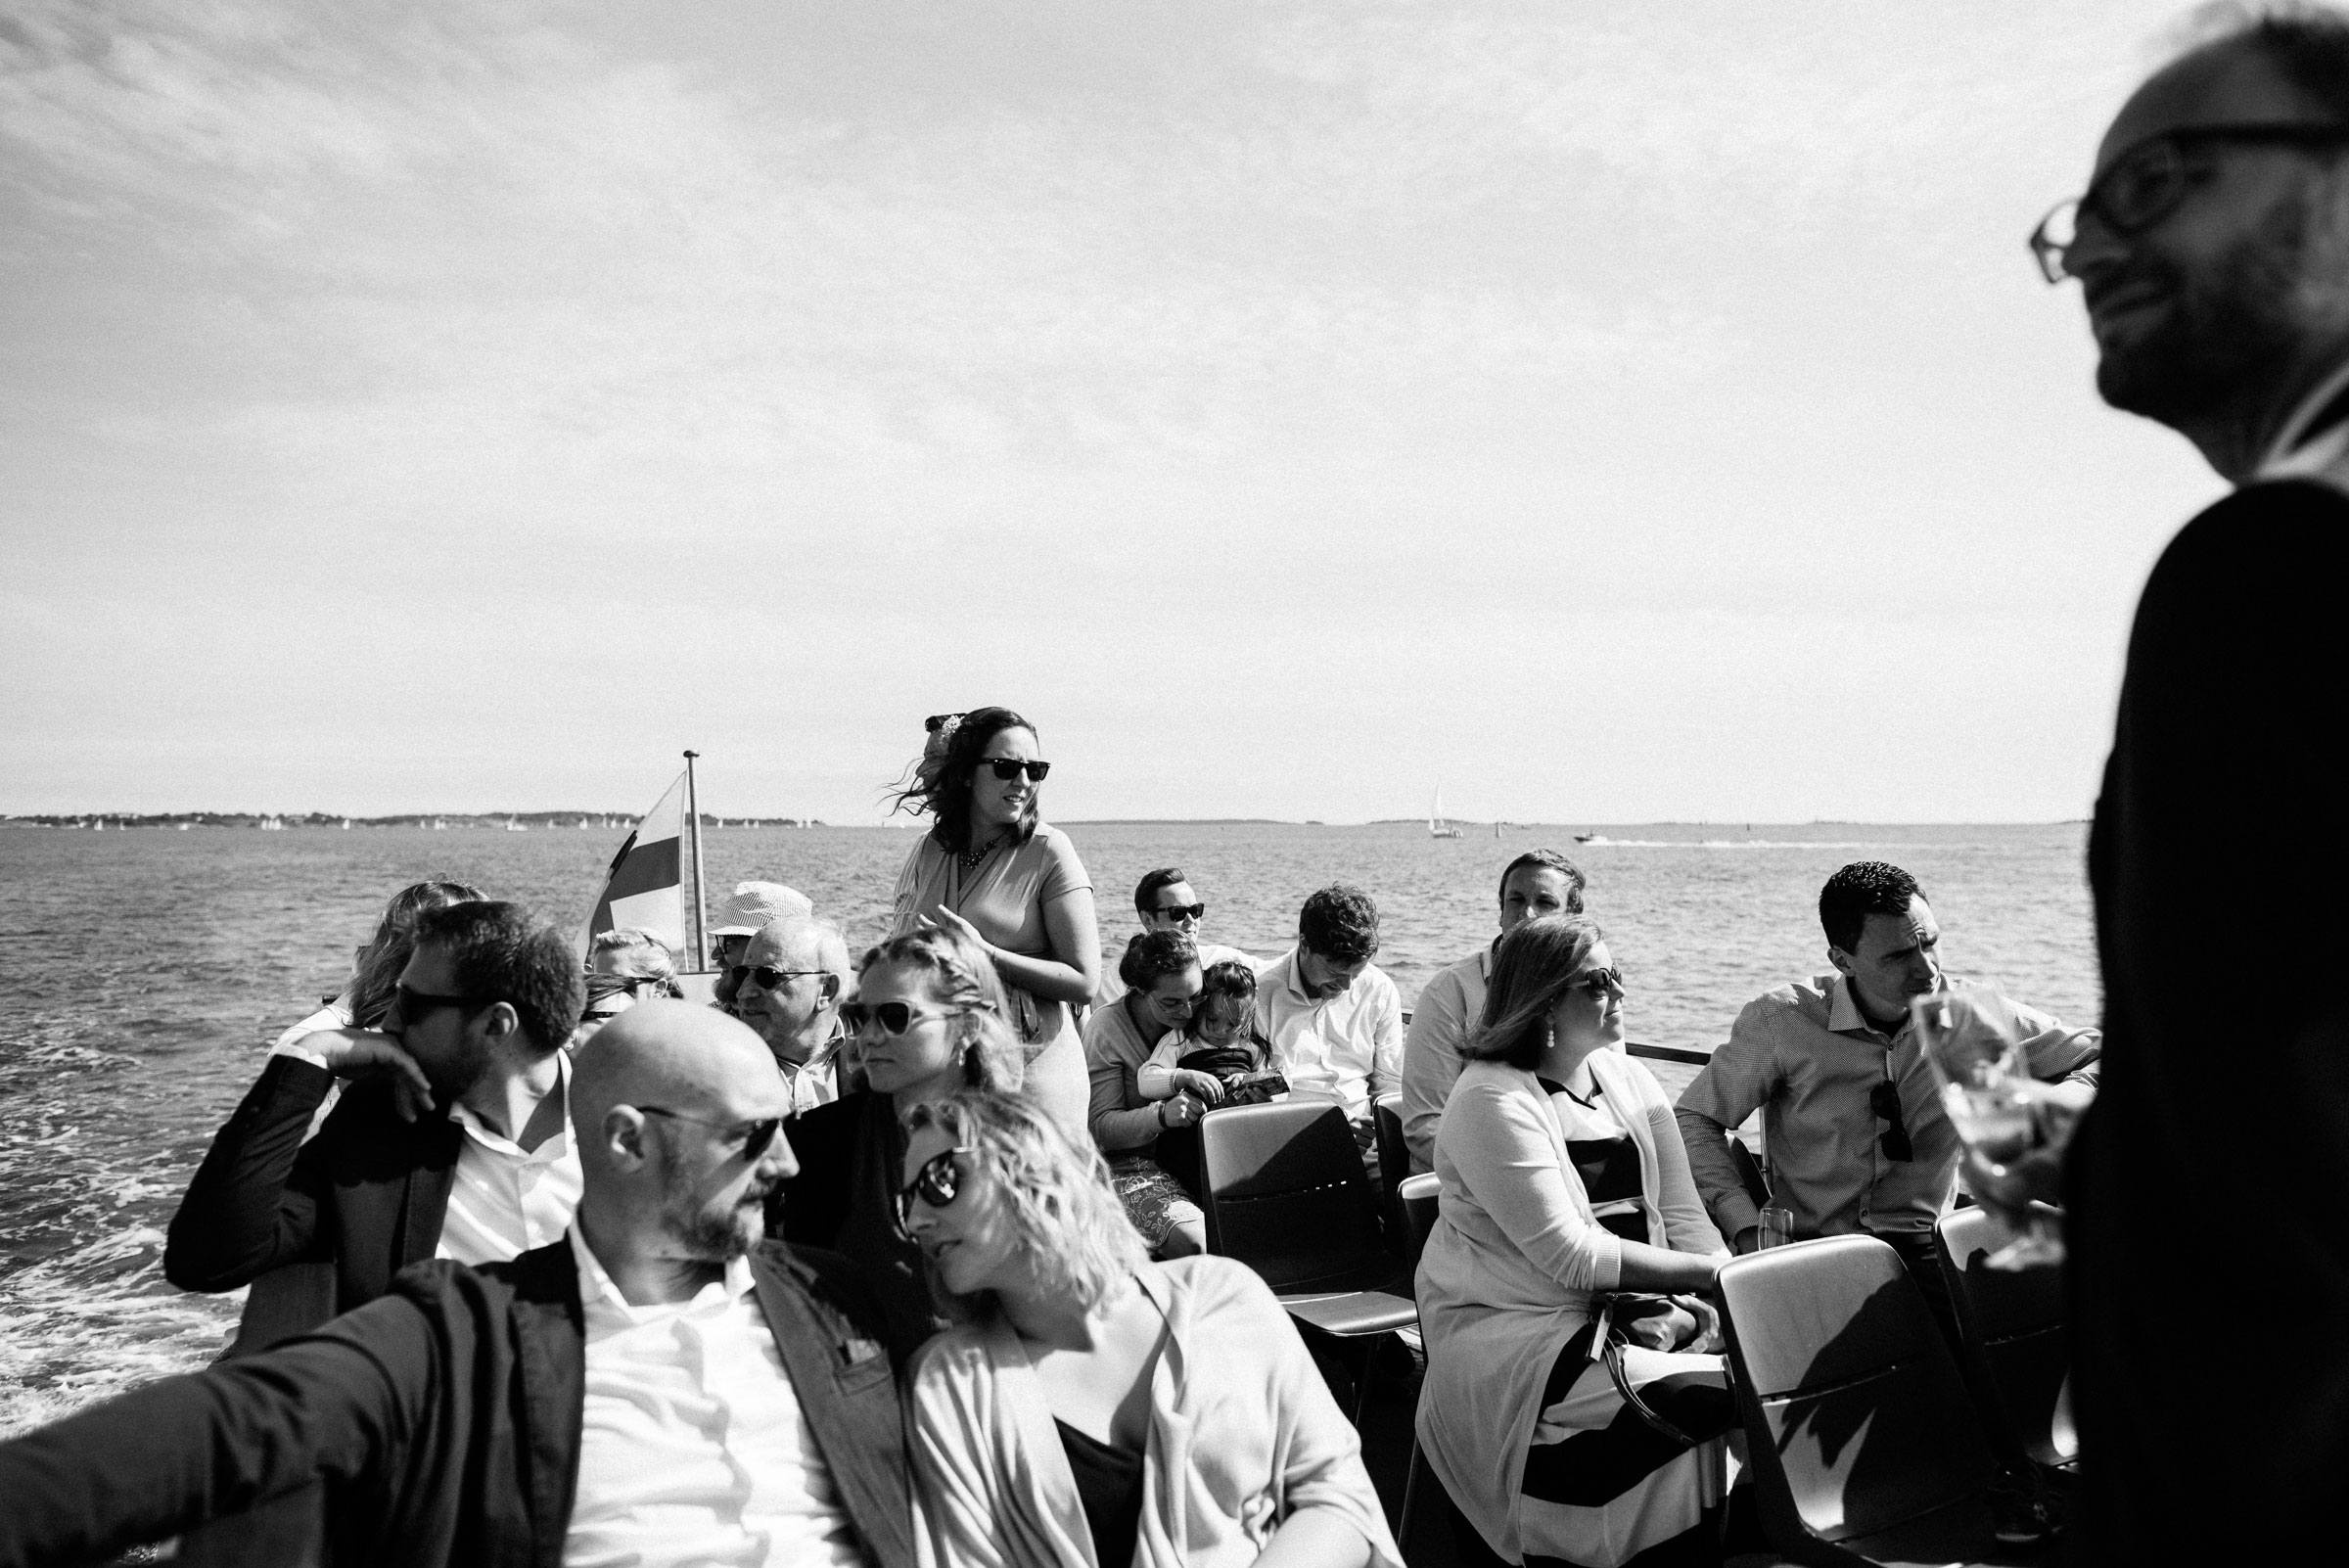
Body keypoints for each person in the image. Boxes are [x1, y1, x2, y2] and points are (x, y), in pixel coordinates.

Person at [0, 1003, 914, 1568]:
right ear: (630, 1139)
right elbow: (233, 1426)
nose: (789, 1161)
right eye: (751, 1136)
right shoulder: (466, 1334)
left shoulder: (831, 1300)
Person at [2030, 11, 2349, 1557]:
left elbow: (2280, 1203)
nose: (2093, 252)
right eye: (2077, 223)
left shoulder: (2274, 573)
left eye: (2154, 185)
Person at [898, 1088, 1403, 1568]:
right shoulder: (951, 1387)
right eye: (906, 1203)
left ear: (1029, 1165)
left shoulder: (1223, 1299)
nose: (916, 1219)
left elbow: (1339, 1499)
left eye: (939, 1181)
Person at [1416, 914, 1737, 1568]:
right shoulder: (1490, 1101)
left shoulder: (1629, 1080)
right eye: (1598, 981)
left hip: (1637, 1311)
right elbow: (1574, 1256)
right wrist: (1711, 1282)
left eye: (1619, 974)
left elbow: (1682, 1212)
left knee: (1771, 1377)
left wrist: (1731, 1284)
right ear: (1544, 1001)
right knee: (1713, 1397)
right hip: (1522, 1332)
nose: (1619, 992)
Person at [1672, 863, 2098, 1331]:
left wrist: (2052, 1105)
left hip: (1928, 1246)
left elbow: (2098, 1055)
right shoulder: (1783, 1022)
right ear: (1842, 960)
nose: (1927, 968)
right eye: (1898, 956)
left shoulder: (1970, 1015)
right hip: (1813, 1253)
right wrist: (1746, 1227)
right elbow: (1695, 1118)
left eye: (1930, 941)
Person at [165, 899, 588, 1345]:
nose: (388, 1021)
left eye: (412, 1005)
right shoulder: (381, 1128)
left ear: (496, 1024)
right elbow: (207, 1258)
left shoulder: (636, 1122)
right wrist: (310, 1057)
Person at [772, 926, 1027, 1358]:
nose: (868, 1037)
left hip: (1010, 1381)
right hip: (872, 1389)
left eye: (894, 1016)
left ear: (966, 1027)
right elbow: (804, 1296)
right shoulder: (819, 1142)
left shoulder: (1025, 1146)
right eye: (858, 1017)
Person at [886, 708, 1100, 1136]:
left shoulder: (1050, 851)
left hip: (1032, 1080)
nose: (1022, 781)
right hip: (944, 1075)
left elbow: (1084, 980)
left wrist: (987, 955)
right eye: (1006, 767)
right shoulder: (933, 849)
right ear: (966, 774)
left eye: (1034, 770)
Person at [1401, 849, 1588, 1174]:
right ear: (1500, 911)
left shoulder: (1591, 993)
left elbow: (1608, 1098)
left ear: (1572, 919)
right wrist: (1521, 1173)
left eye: (1545, 903)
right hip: (1474, 1189)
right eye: (1515, 900)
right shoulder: (1449, 992)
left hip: (1578, 1174)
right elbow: (1426, 1128)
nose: (1527, 914)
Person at [1254, 884, 1404, 1180]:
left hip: (1368, 1145)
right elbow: (1260, 1101)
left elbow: (1388, 1083)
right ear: (1304, 945)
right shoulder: (1260, 996)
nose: (1346, 987)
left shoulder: (1380, 989)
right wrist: (1331, 1134)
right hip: (1288, 1148)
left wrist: (1383, 1132)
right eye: (1336, 974)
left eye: (1356, 975)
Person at [1082, 931, 1210, 1258]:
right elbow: (1100, 1127)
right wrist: (1161, 1116)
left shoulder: (1207, 1011)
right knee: (1199, 1241)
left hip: (1203, 1155)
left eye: (1196, 997)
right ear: (1140, 989)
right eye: (1171, 1003)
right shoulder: (1107, 1028)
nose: (1187, 1012)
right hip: (1133, 1166)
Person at [736, 914, 855, 1114]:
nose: (743, 992)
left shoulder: (880, 1063)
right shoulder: (718, 1066)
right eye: (741, 975)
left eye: (767, 977)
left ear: (826, 990)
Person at [1092, 867, 1254, 1007]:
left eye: (1195, 910)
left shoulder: (1225, 961)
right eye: (1178, 913)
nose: (1191, 919)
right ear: (1148, 919)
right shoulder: (1114, 982)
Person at [1136, 958, 1286, 1106]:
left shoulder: (1252, 1047)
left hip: (1236, 1124)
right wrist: (1185, 1077)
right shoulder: (1182, 1040)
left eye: (1233, 1024)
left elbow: (1275, 1086)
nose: (1221, 1031)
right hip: (1192, 1124)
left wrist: (1251, 1084)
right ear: (1199, 1007)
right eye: (1212, 1019)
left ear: (1247, 1019)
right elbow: (1145, 1083)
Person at [710, 882, 815, 1011]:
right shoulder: (708, 1018)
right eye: (719, 939)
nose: (715, 955)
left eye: (728, 942)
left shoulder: (709, 1021)